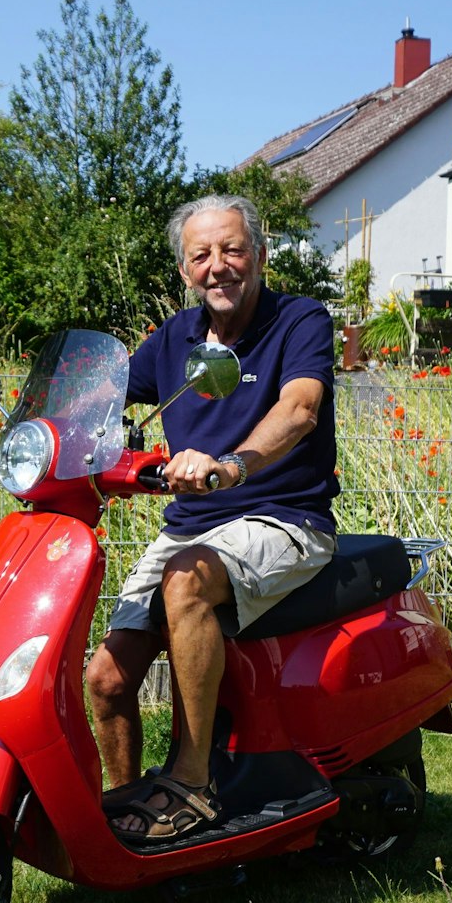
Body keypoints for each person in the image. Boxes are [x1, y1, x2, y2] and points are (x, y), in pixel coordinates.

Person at [83, 192, 338, 843]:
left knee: (186, 579)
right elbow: (106, 396)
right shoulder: (175, 339)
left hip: (283, 516)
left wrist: (232, 465)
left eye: (232, 249)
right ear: (184, 270)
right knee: (107, 680)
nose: (218, 266)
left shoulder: (299, 320)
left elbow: (300, 409)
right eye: (202, 255)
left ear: (260, 254)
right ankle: (130, 811)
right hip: (194, 527)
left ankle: (193, 782)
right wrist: (43, 432)